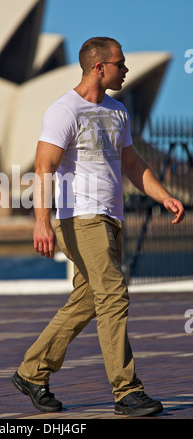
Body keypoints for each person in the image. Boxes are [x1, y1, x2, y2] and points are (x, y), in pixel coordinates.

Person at [12, 37, 185, 417]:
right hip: (80, 217)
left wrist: (164, 196)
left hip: (112, 217)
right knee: (113, 295)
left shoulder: (117, 111)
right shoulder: (63, 110)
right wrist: (42, 222)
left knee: (90, 299)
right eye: (120, 63)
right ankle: (126, 391)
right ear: (99, 67)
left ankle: (32, 371)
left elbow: (133, 164)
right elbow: (44, 168)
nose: (126, 70)